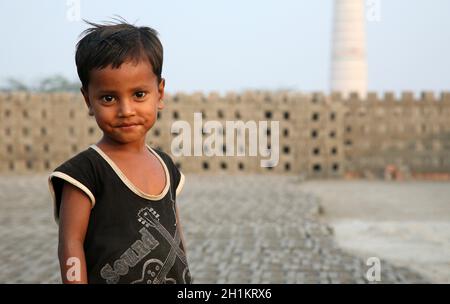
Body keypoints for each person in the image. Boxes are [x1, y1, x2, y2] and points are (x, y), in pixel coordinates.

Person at [48, 20, 192, 284]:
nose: (126, 110)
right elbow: (71, 244)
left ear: (159, 94)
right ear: (88, 100)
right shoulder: (85, 172)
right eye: (109, 98)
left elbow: (175, 235)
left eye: (139, 94)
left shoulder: (165, 165)